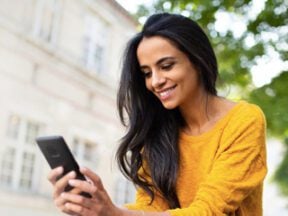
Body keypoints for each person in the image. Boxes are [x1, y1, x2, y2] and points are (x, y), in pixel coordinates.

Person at [48, 13, 267, 216]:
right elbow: (150, 208)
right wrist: (92, 207)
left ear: (198, 61)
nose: (155, 81)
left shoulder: (244, 121)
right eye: (146, 73)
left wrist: (114, 213)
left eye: (167, 66)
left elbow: (208, 211)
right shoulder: (157, 131)